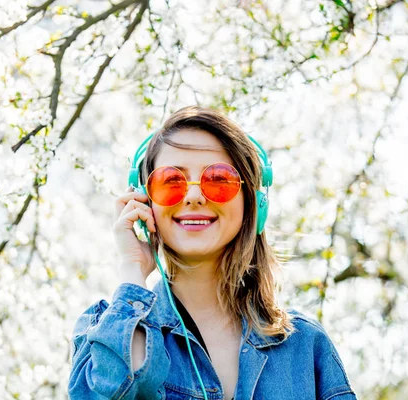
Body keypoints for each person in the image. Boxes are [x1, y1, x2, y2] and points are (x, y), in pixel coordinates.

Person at [68, 106, 357, 399]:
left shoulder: (306, 346)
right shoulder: (102, 330)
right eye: (171, 181)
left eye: (218, 179)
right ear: (144, 200)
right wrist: (131, 269)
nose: (194, 196)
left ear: (253, 203)